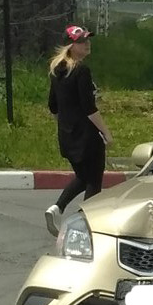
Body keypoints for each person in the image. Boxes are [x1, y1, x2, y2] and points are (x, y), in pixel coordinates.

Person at [44, 24, 110, 236]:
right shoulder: (81, 71)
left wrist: (66, 124)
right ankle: (86, 226)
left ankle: (57, 208)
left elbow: (53, 106)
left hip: (67, 134)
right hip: (87, 135)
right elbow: (90, 109)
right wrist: (106, 133)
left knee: (82, 176)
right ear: (71, 46)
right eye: (81, 41)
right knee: (94, 180)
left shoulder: (57, 71)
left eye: (87, 40)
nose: (87, 44)